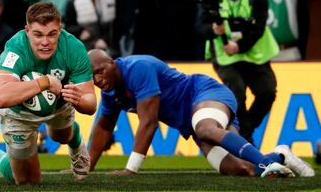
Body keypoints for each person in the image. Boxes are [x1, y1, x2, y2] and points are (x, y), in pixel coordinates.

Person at [88, 49, 315, 178]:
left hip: (205, 93)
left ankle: (266, 163)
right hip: (192, 122)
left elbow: (149, 123)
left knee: (205, 128)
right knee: (239, 169)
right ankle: (281, 156)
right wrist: (86, 166)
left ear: (113, 62)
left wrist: (131, 169)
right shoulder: (110, 93)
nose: (98, 79)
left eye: (101, 71)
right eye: (93, 77)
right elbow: (103, 127)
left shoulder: (137, 68)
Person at [0, 1, 96, 184]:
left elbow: (91, 104)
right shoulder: (15, 48)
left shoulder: (74, 48)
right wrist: (44, 82)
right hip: (18, 112)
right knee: (25, 180)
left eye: (52, 34)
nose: (45, 42)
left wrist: (80, 99)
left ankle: (76, 144)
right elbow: (0, 97)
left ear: (60, 29)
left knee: (60, 136)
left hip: (59, 104)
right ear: (27, 31)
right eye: (38, 35)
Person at [197, 0, 280, 144]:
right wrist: (212, 30)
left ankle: (244, 129)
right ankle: (245, 140)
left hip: (255, 53)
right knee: (237, 92)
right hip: (225, 57)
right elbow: (199, 28)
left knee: (267, 92)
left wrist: (239, 46)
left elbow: (259, 28)